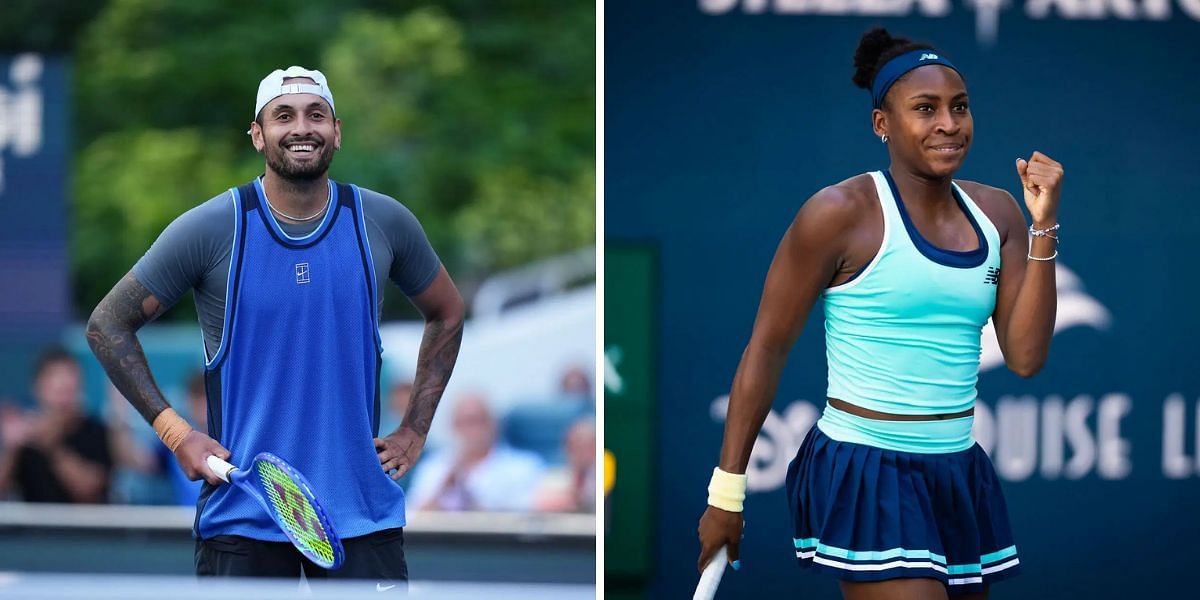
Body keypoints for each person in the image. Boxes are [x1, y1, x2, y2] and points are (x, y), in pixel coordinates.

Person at [696, 28, 1063, 600]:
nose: (948, 124)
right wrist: (727, 493)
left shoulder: (1001, 213)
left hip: (957, 469)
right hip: (866, 469)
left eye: (959, 107)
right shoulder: (838, 213)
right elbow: (765, 349)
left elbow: (1026, 358)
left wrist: (1043, 226)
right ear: (882, 125)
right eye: (925, 109)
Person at [85, 66, 465, 588]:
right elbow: (107, 325)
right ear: (258, 134)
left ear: (337, 130)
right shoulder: (212, 227)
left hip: (362, 517)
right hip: (242, 521)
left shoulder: (384, 221)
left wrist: (415, 430)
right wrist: (177, 434)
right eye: (283, 116)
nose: (301, 127)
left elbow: (448, 311)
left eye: (316, 114)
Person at [0, 347, 113, 503]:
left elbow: (90, 490)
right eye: (57, 388)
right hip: (33, 525)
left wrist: (52, 447)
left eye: (69, 387)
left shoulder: (97, 430)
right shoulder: (25, 438)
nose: (63, 397)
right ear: (37, 388)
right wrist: (11, 449)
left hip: (84, 525)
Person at [407, 393, 544, 512]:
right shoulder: (434, 467)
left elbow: (530, 514)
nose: (473, 430)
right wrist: (443, 489)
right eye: (465, 422)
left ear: (494, 424)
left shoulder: (523, 467)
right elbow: (412, 518)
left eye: (479, 421)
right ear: (454, 426)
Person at [533, 417, 596, 513]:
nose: (580, 453)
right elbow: (540, 504)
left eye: (587, 446)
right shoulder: (554, 477)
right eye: (574, 446)